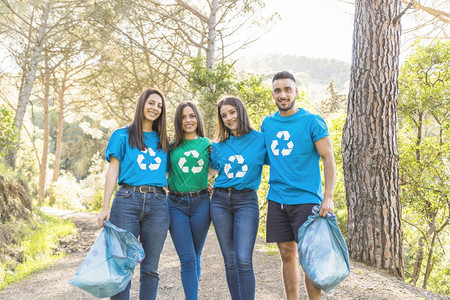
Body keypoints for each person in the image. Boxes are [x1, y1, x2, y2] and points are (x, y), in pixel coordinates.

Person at [261, 71, 336, 300]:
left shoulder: (311, 121)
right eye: (277, 90)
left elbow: (328, 158)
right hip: (277, 199)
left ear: (296, 92)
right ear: (273, 94)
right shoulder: (268, 123)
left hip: (306, 200)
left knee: (309, 257)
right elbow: (257, 154)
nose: (282, 94)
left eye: (287, 89)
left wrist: (329, 196)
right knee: (286, 254)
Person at [97, 88, 170, 300]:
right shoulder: (121, 135)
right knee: (122, 265)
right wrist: (104, 206)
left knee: (151, 267)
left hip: (158, 203)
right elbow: (113, 170)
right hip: (126, 201)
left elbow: (171, 174)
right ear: (142, 104)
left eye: (159, 105)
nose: (155, 108)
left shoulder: (164, 140)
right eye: (151, 103)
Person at [209, 95, 266, 300]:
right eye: (224, 115)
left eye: (232, 112)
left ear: (241, 111)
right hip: (220, 201)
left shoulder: (260, 139)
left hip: (246, 201)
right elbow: (208, 171)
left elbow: (280, 164)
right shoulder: (218, 145)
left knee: (243, 259)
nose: (229, 118)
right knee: (230, 260)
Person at [167, 102, 211, 300]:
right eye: (184, 117)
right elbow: (163, 172)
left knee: (196, 255)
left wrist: (209, 181)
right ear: (178, 120)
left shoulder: (208, 145)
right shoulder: (170, 146)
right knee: (187, 259)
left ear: (197, 118)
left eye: (192, 116)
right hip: (175, 205)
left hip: (201, 203)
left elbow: (218, 167)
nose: (188, 120)